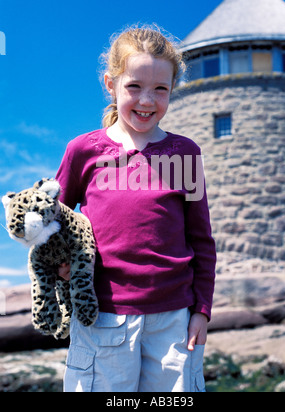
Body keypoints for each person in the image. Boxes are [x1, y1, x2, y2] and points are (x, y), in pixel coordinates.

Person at [56, 25, 217, 392]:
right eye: (134, 86)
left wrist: (202, 312)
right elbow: (52, 222)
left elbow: (202, 241)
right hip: (100, 317)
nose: (147, 100)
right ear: (110, 84)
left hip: (174, 324)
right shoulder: (83, 150)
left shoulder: (186, 154)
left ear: (173, 89)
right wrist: (60, 263)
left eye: (160, 88)